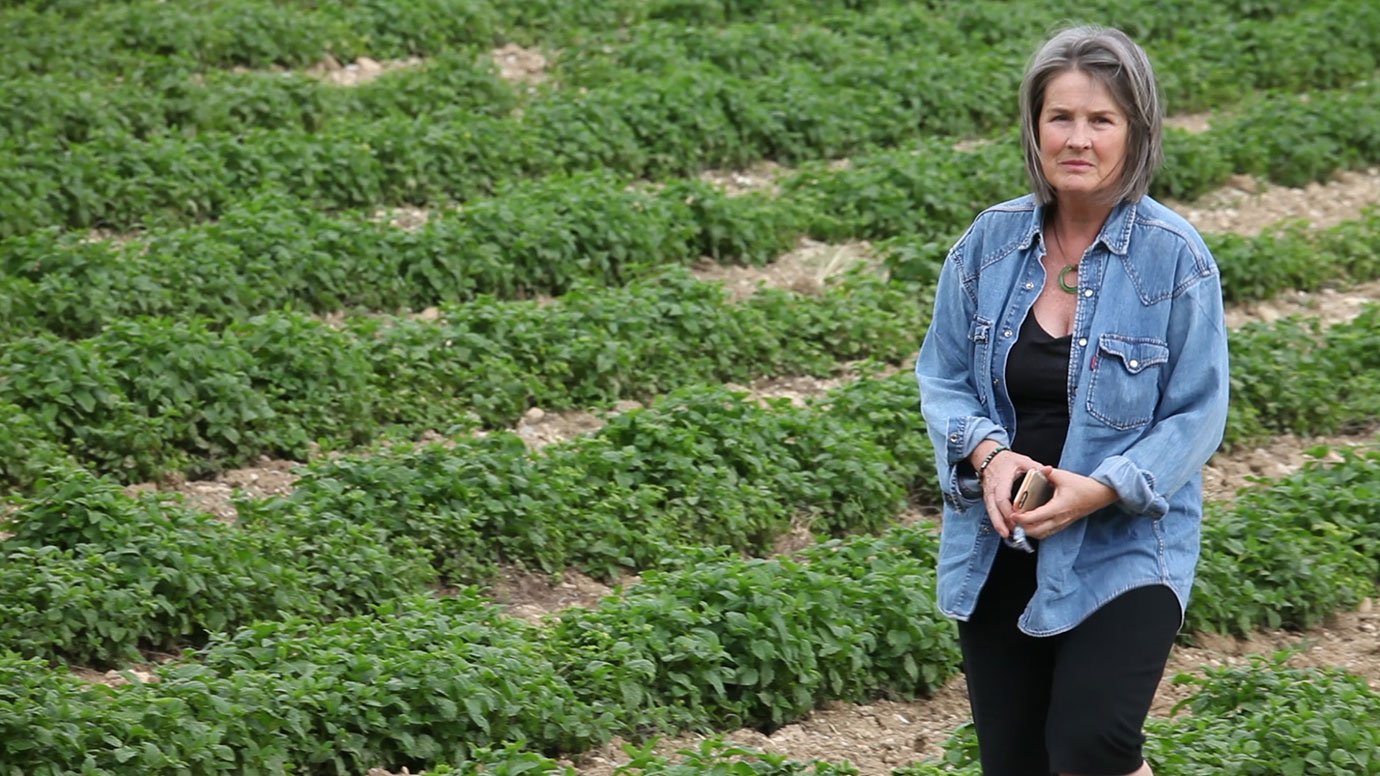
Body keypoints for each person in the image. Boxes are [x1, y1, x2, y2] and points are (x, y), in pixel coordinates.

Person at [914, 26, 1230, 776]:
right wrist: (987, 457)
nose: (1078, 139)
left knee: (1093, 746)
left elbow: (1196, 412)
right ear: (1035, 127)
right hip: (1003, 537)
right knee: (1015, 761)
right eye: (1061, 117)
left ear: (1136, 132)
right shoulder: (988, 246)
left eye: (1102, 120)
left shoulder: (1174, 256)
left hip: (1124, 543)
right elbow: (943, 376)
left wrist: (1101, 488)